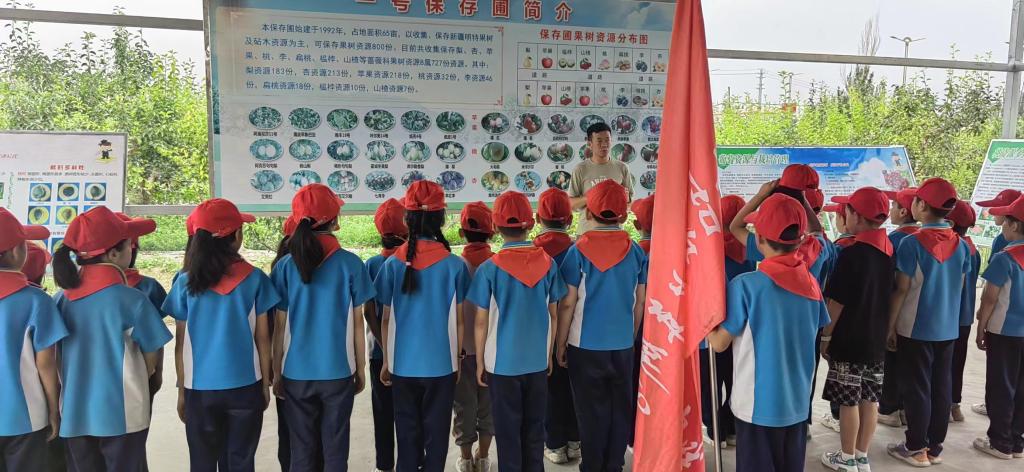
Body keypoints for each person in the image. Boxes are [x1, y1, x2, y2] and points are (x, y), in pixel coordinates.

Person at [708, 193, 830, 472]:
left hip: (756, 406)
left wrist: (704, 320)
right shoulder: (811, 284)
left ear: (759, 239)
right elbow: (819, 326)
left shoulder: (745, 286)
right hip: (797, 404)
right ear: (800, 239)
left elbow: (718, 343)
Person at [162, 198, 280, 472]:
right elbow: (263, 339)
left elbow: (181, 344)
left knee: (202, 462)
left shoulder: (185, 282)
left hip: (199, 388)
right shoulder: (255, 279)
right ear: (236, 236)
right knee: (240, 461)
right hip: (245, 385)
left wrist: (182, 390)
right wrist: (265, 383)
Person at [51, 207, 171, 471]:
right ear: (113, 253)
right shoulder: (132, 300)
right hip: (123, 415)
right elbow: (151, 357)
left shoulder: (60, 300)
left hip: (74, 413)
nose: (132, 248)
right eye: (129, 243)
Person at [271, 184, 375, 471]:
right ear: (334, 220)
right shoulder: (350, 264)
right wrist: (360, 369)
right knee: (335, 449)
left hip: (295, 373)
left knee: (301, 450)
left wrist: (277, 371)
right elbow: (358, 323)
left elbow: (280, 326)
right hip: (338, 371)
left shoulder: (285, 266)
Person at [468, 190, 567, 472]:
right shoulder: (548, 264)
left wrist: (480, 362)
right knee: (534, 429)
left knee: (507, 431)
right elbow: (553, 314)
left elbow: (480, 322)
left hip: (501, 365)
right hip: (536, 361)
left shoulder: (488, 269)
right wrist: (548, 354)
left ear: (495, 226)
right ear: (532, 222)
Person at [374, 181, 469, 472]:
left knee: (406, 432)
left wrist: (387, 360)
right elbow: (460, 319)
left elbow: (386, 318)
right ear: (441, 218)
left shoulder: (392, 265)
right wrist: (458, 360)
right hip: (441, 364)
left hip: (402, 364)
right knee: (437, 434)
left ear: (407, 219)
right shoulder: (455, 265)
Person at [556, 180, 647, 472]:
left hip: (584, 346)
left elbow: (568, 303)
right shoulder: (636, 253)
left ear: (588, 212)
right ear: (624, 214)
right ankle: (614, 464)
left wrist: (560, 343)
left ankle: (592, 465)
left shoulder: (577, 252)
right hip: (622, 344)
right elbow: (640, 302)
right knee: (620, 409)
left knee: (589, 411)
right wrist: (631, 335)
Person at [885, 178, 971, 467]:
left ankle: (915, 447)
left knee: (917, 387)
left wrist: (890, 326)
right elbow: (960, 285)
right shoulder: (961, 245)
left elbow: (901, 289)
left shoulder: (911, 244)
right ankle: (934, 447)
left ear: (921, 205)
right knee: (941, 386)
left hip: (915, 327)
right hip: (948, 328)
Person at [817, 187, 895, 472]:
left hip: (849, 340)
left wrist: (826, 335)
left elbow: (836, 302)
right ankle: (862, 456)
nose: (844, 215)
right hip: (875, 340)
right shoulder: (888, 252)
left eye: (846, 211)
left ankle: (846, 457)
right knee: (870, 398)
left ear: (857, 216)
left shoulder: (852, 254)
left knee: (848, 400)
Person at [0, 209, 66, 471]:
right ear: (15, 251)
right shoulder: (37, 301)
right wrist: (53, 409)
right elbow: (46, 364)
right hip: (24, 418)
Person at [699, 195, 754, 448]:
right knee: (735, 379)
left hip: (711, 329)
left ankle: (715, 429)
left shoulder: (708, 249)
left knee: (710, 382)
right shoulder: (749, 250)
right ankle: (731, 427)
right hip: (740, 329)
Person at [973, 194, 1024, 459]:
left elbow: (990, 298)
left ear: (1014, 225)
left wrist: (981, 326)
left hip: (1004, 333)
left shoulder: (1005, 258)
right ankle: (1016, 440)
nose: (1002, 225)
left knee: (1001, 386)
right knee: (1021, 387)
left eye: (1005, 221)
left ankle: (1000, 442)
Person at [533, 188, 581, 464]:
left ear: (538, 218)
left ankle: (554, 444)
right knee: (573, 386)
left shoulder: (530, 251)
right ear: (570, 219)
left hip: (541, 333)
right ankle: (575, 441)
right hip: (575, 331)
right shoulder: (580, 249)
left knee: (549, 389)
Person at [364, 198, 407, 472]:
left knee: (382, 411)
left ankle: (384, 465)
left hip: (379, 353)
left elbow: (369, 312)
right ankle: (412, 461)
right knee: (409, 412)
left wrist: (383, 344)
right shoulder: (410, 263)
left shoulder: (371, 264)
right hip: (407, 353)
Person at [454, 201, 496, 472]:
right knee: (488, 406)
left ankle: (466, 458)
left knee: (463, 406)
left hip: (462, 351)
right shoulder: (498, 263)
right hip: (492, 350)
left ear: (461, 233)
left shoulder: (454, 265)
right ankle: (484, 456)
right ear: (492, 232)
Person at [877, 187, 920, 428]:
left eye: (893, 206)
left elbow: (894, 285)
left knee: (891, 363)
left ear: (904, 211)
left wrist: (889, 324)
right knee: (910, 366)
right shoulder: (924, 237)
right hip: (918, 316)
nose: (891, 210)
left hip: (897, 312)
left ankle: (889, 408)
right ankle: (904, 409)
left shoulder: (894, 240)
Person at [947, 200, 981, 423]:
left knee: (941, 364)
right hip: (965, 316)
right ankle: (954, 405)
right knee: (957, 362)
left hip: (947, 316)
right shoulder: (974, 250)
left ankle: (941, 407)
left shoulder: (952, 248)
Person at [569, 122, 634, 235]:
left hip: (615, 233)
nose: (604, 145)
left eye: (607, 140)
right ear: (590, 144)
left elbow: (630, 202)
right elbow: (571, 204)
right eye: (599, 141)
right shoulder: (580, 169)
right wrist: (593, 196)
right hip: (586, 233)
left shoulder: (622, 167)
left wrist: (625, 199)